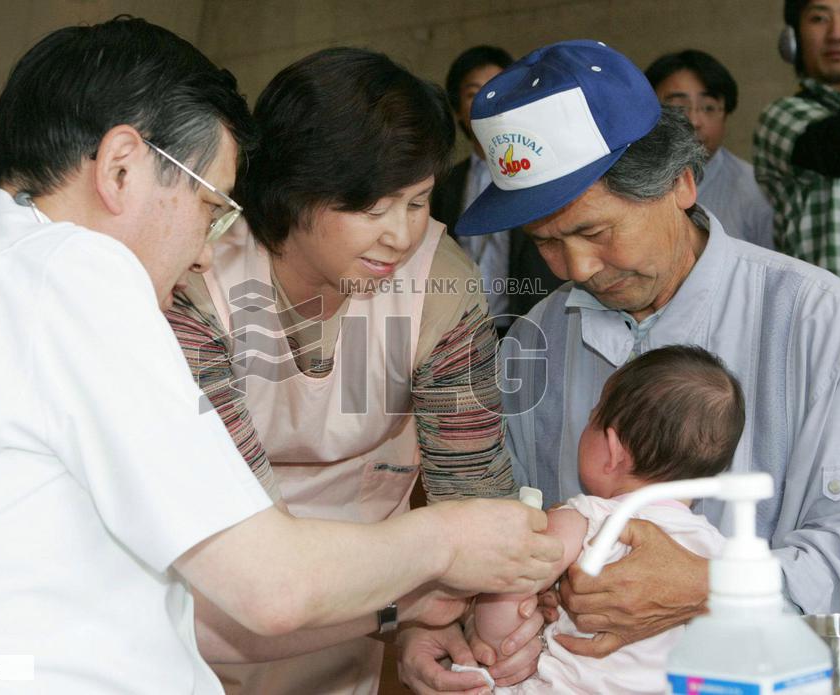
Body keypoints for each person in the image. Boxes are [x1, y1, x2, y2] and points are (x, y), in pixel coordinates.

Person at [0, 19, 564, 694]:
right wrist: (444, 544)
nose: (207, 251)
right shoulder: (74, 275)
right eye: (210, 208)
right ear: (120, 167)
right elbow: (272, 584)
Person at [398, 38, 840, 694]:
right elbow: (501, 529)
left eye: (594, 232)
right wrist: (445, 622)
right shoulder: (538, 339)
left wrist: (715, 585)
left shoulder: (821, 324)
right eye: (545, 243)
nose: (577, 268)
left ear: (681, 182)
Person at [163, 46, 557, 695]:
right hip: (199, 614)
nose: (400, 235)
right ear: (293, 191)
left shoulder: (440, 285)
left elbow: (472, 493)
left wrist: (453, 623)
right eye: (373, 209)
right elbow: (255, 569)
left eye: (418, 202)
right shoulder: (199, 278)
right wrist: (414, 602)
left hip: (359, 616)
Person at [476, 345, 743, 694]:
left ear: (613, 449)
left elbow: (511, 583)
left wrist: (492, 638)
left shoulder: (586, 518)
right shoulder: (715, 551)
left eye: (593, 419)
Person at [431, 45, 563, 334]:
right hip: (464, 329)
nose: (488, 100)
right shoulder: (443, 183)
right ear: (457, 110)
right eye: (473, 93)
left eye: (498, 88)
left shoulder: (547, 171)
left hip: (533, 324)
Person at [754, 0, 840, 303]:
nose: (837, 34)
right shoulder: (783, 114)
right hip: (833, 321)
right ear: (792, 37)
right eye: (819, 18)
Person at [645, 49, 774, 249]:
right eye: (679, 108)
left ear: (725, 115)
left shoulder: (754, 190)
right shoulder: (624, 181)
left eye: (708, 108)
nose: (694, 121)